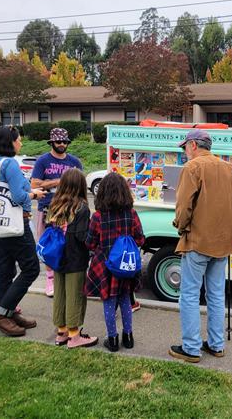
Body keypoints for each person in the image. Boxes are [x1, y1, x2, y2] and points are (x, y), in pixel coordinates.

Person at [169, 129, 232, 363]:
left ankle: (191, 348)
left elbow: (184, 206)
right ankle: (216, 345)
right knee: (216, 294)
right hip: (223, 242)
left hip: (198, 241)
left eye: (185, 146)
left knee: (189, 295)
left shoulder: (192, 168)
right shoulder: (228, 167)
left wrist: (181, 226)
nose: (184, 151)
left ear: (194, 145)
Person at [0, 126, 46, 337]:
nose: (20, 143)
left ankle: (6, 314)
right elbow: (20, 196)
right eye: (18, 140)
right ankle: (1, 315)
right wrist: (35, 194)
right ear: (9, 142)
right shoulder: (10, 163)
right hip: (15, 224)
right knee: (31, 269)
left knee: (5, 270)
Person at [85, 172, 145, 352]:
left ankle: (112, 339)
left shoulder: (98, 216)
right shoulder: (131, 213)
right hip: (126, 265)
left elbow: (90, 242)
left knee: (109, 302)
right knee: (126, 299)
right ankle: (128, 337)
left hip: (106, 266)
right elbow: (140, 239)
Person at [46, 168, 98, 349]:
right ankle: (75, 336)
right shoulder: (82, 208)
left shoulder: (55, 204)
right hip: (75, 259)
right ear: (80, 185)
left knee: (60, 294)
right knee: (75, 295)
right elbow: (82, 237)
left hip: (57, 257)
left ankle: (61, 332)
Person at [31, 128, 83, 297]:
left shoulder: (75, 161)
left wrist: (47, 182)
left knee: (69, 244)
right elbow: (34, 185)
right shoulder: (42, 161)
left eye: (65, 142)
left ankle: (66, 278)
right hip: (47, 208)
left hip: (70, 210)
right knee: (48, 245)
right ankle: (50, 280)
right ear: (52, 142)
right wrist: (59, 181)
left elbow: (80, 184)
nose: (62, 144)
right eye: (59, 142)